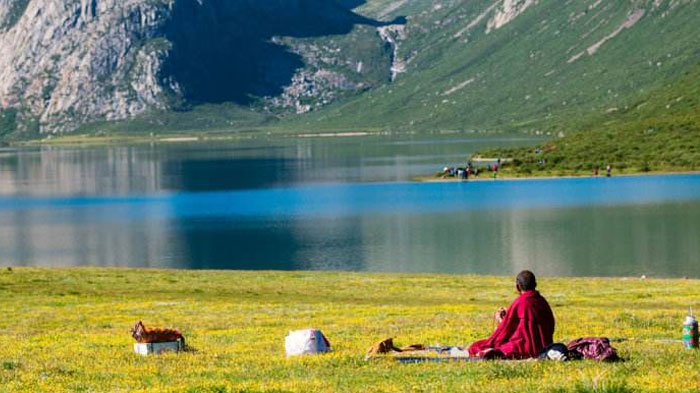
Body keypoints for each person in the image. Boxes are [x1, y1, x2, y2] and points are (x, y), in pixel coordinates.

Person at [468, 270, 555, 359]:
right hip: (545, 346)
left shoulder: (520, 302)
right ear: (535, 285)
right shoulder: (543, 301)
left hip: (526, 348)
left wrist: (500, 320)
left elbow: (506, 331)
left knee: (476, 346)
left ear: (518, 287)